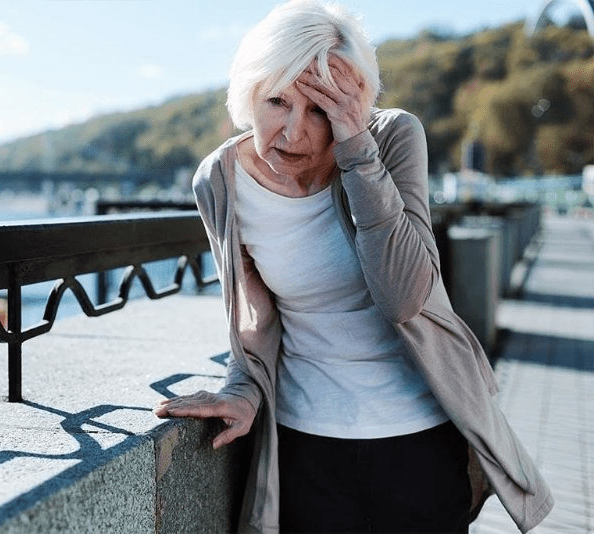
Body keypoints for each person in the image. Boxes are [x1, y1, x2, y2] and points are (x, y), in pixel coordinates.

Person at [154, 1, 553, 533]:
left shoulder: (392, 139)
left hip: (421, 442)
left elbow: (404, 296)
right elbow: (253, 314)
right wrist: (241, 389)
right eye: (276, 101)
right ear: (249, 95)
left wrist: (357, 149)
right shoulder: (220, 180)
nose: (293, 132)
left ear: (355, 103)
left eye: (319, 109)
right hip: (307, 448)